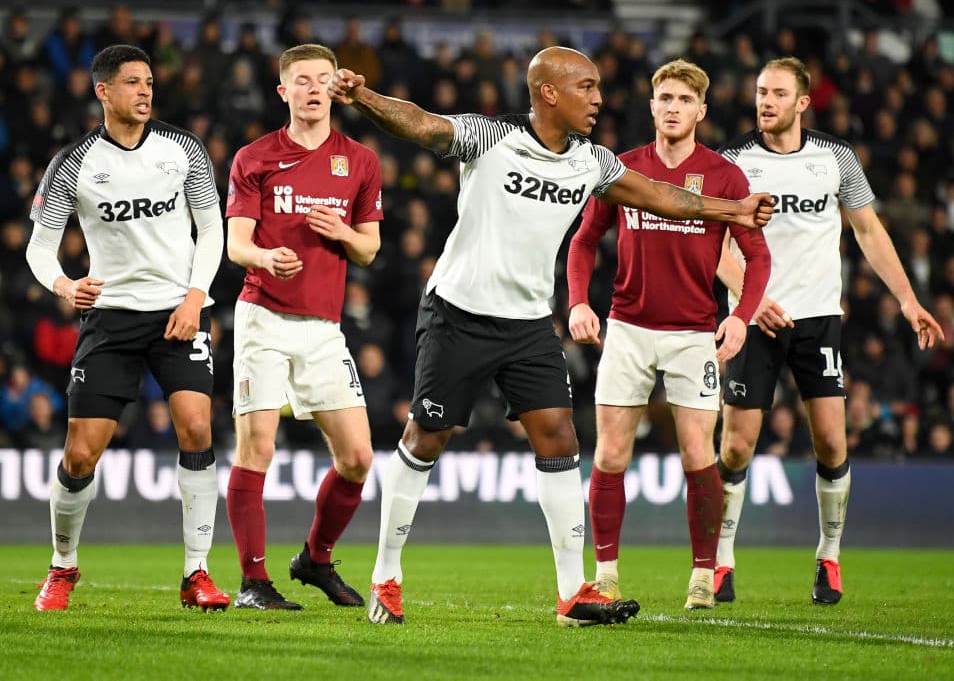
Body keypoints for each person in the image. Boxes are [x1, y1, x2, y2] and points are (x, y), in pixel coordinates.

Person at [327, 45, 775, 626]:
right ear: (549, 93)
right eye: (586, 87)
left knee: (560, 441)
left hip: (529, 325)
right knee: (426, 438)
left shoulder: (592, 162)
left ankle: (573, 594)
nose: (598, 98)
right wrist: (362, 97)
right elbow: (420, 123)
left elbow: (660, 195)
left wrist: (731, 210)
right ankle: (386, 575)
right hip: (458, 313)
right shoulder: (490, 137)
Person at [713, 57, 943, 605]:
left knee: (833, 441)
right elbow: (714, 246)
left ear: (802, 102)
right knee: (738, 447)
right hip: (754, 319)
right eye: (760, 92)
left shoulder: (836, 158)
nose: (765, 101)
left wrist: (909, 300)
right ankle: (720, 561)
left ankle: (829, 558)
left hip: (818, 318)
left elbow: (867, 229)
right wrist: (752, 298)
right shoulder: (732, 162)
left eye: (777, 93)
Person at [24, 44, 228, 612]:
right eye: (133, 82)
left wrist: (194, 298)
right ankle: (63, 567)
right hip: (110, 318)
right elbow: (39, 249)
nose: (145, 91)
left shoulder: (183, 149)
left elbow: (211, 232)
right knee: (81, 454)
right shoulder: (74, 164)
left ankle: (197, 574)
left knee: (197, 428)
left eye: (149, 82)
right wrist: (66, 286)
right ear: (103, 92)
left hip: (177, 311)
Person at [565, 59, 770, 610]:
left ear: (701, 110)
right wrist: (579, 301)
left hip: (693, 334)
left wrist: (740, 316)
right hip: (628, 328)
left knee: (697, 453)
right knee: (610, 452)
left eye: (684, 99)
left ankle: (704, 575)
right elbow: (584, 242)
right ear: (652, 107)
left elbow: (757, 255)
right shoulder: (624, 169)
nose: (673, 107)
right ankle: (605, 575)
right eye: (665, 99)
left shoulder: (725, 178)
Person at [224, 43, 382, 611]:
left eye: (323, 79)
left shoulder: (360, 161)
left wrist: (342, 233)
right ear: (283, 91)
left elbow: (369, 249)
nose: (314, 89)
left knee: (359, 459)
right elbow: (235, 243)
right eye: (302, 80)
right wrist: (266, 258)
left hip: (323, 327)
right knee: (257, 447)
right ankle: (253, 582)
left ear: (336, 89)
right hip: (263, 316)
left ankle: (315, 559)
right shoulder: (255, 157)